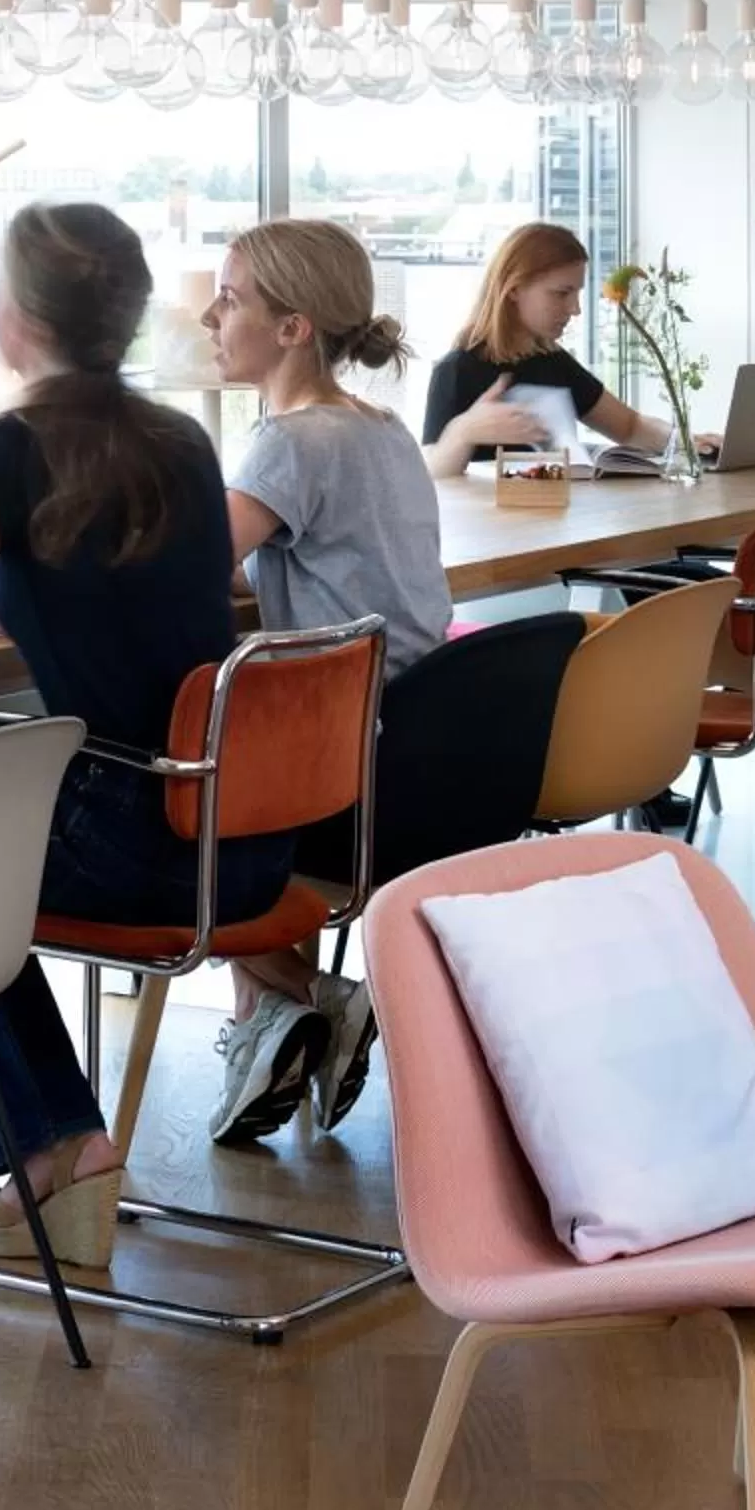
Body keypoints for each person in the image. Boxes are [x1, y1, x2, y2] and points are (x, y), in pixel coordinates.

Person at [0, 201, 294, 1258]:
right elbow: (93, 600)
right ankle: (59, 1145)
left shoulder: (4, 451)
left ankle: (55, 1147)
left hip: (136, 839)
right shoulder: (179, 443)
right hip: (242, 834)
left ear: (10, 319)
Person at [203, 217, 453, 1140]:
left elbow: (185, 569)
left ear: (293, 326)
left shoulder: (292, 443)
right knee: (243, 761)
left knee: (193, 806)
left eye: (231, 298)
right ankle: (266, 1035)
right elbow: (275, 564)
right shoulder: (380, 429)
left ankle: (306, 1003)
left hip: (345, 759)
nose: (209, 315)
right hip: (420, 739)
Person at [421, 220, 684, 478]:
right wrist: (463, 431)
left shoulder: (554, 361)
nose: (575, 309)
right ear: (514, 290)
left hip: (556, 518)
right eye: (561, 293)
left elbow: (629, 427)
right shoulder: (456, 370)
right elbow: (431, 475)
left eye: (577, 293)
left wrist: (686, 442)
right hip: (490, 520)